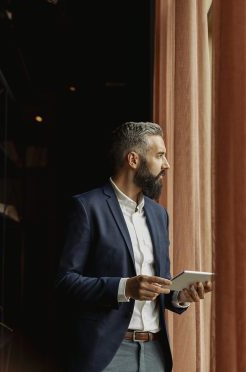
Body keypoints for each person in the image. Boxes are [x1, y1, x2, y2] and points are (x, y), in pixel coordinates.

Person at [55, 122, 212, 372]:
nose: (166, 164)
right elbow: (65, 281)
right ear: (133, 159)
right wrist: (124, 287)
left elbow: (161, 283)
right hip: (108, 354)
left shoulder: (160, 215)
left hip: (155, 354)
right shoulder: (87, 207)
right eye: (159, 155)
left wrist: (180, 296)